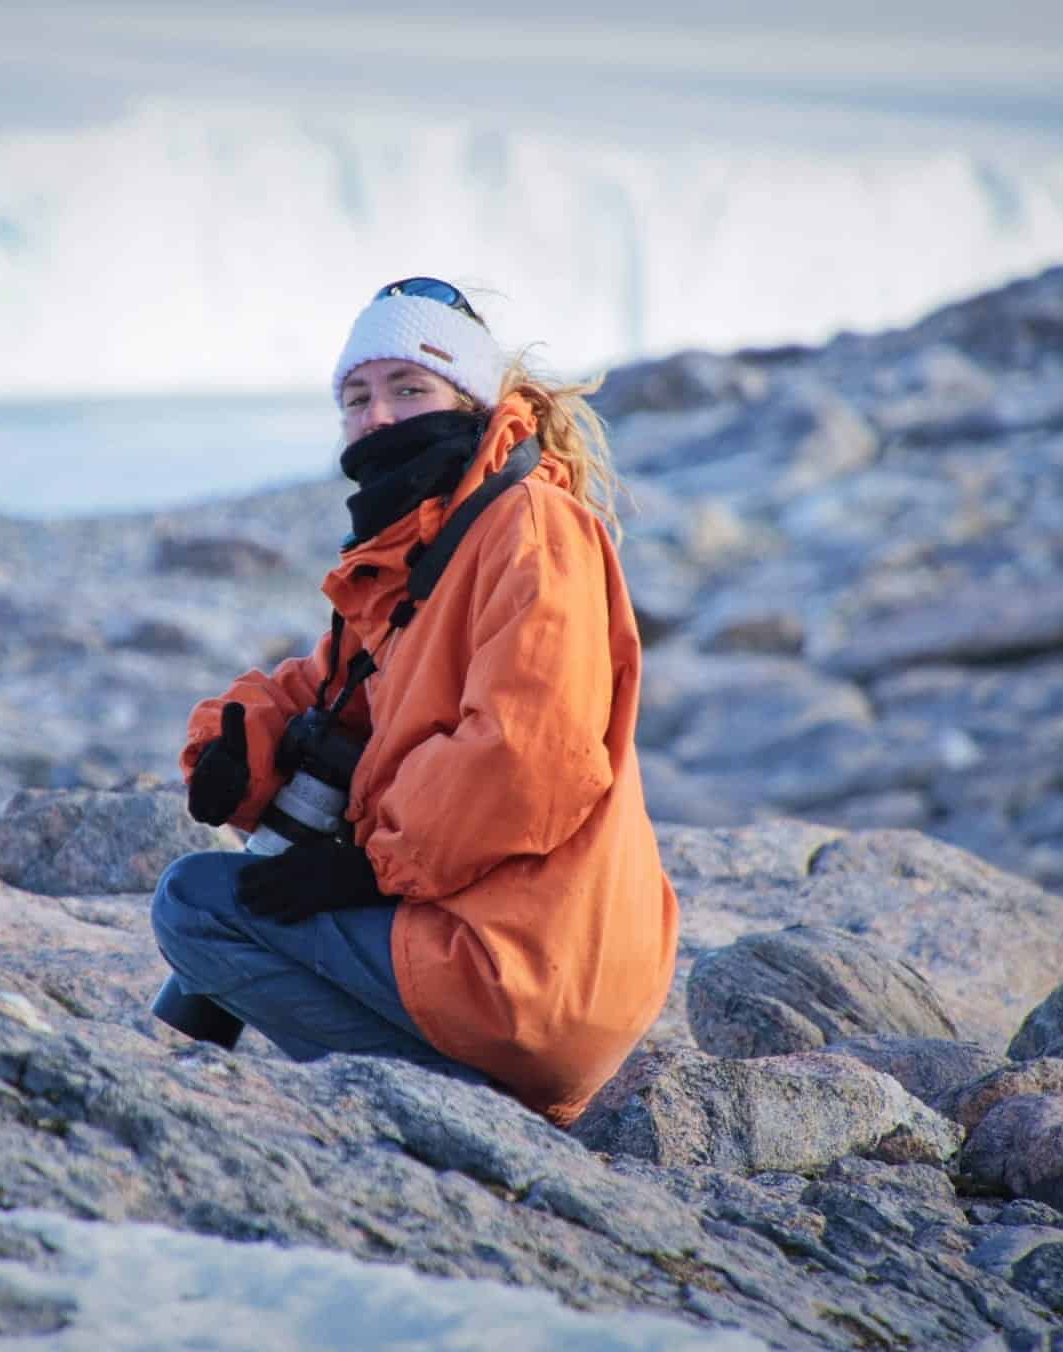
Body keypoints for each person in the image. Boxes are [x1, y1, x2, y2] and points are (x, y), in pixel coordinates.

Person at [148, 277, 677, 1127]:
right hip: (507, 948)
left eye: (409, 389)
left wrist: (368, 865)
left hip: (531, 966)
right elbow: (329, 688)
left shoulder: (528, 528)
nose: (379, 418)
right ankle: (426, 1081)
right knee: (278, 842)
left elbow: (526, 755)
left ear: (468, 400)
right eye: (357, 398)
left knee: (194, 904)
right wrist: (232, 746)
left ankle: (457, 1104)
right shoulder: (419, 552)